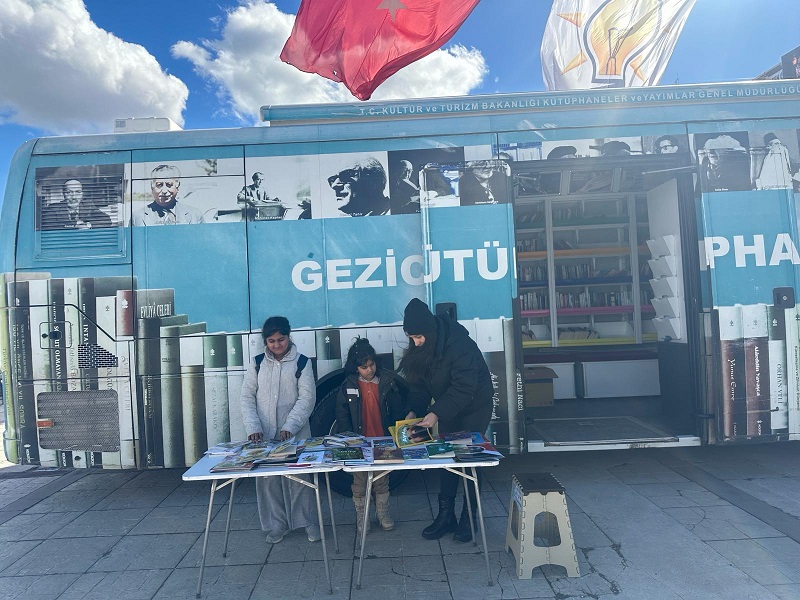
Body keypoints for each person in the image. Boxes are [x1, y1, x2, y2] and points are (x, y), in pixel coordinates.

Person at [399, 298, 493, 543]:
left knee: (469, 458)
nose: (415, 342)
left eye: (419, 338)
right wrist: (414, 410)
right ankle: (446, 516)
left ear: (428, 332)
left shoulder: (459, 344)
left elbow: (464, 388)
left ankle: (469, 517)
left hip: (475, 405)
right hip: (447, 405)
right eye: (411, 338)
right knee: (447, 458)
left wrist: (436, 413)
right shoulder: (422, 346)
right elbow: (418, 385)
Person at [239, 316, 321, 544]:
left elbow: (307, 399)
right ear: (265, 341)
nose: (276, 345)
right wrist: (253, 427)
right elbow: (246, 397)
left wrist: (290, 427)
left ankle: (307, 522)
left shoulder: (302, 363)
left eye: (281, 340)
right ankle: (277, 524)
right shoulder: (257, 363)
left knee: (300, 478)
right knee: (267, 481)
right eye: (271, 341)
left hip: (295, 433)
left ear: (289, 337)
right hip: (263, 436)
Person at [335, 338, 406, 534]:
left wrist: (397, 433)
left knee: (382, 480)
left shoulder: (387, 382)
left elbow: (398, 409)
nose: (369, 369)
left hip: (384, 440)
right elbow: (341, 414)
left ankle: (382, 513)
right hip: (359, 442)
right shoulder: (348, 385)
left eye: (372, 364)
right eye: (364, 366)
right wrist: (347, 437)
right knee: (359, 482)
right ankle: (362, 516)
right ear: (355, 367)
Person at [131, 165, 205, 225]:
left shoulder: (195, 215)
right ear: (152, 188)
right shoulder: (137, 217)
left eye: (169, 185)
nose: (164, 191)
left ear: (177, 186)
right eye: (159, 185)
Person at [41, 179, 113, 230]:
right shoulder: (53, 208)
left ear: (82, 194)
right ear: (63, 194)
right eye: (69, 192)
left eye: (78, 192)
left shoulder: (88, 206)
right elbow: (47, 225)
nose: (74, 197)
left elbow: (106, 219)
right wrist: (75, 224)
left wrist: (87, 225)